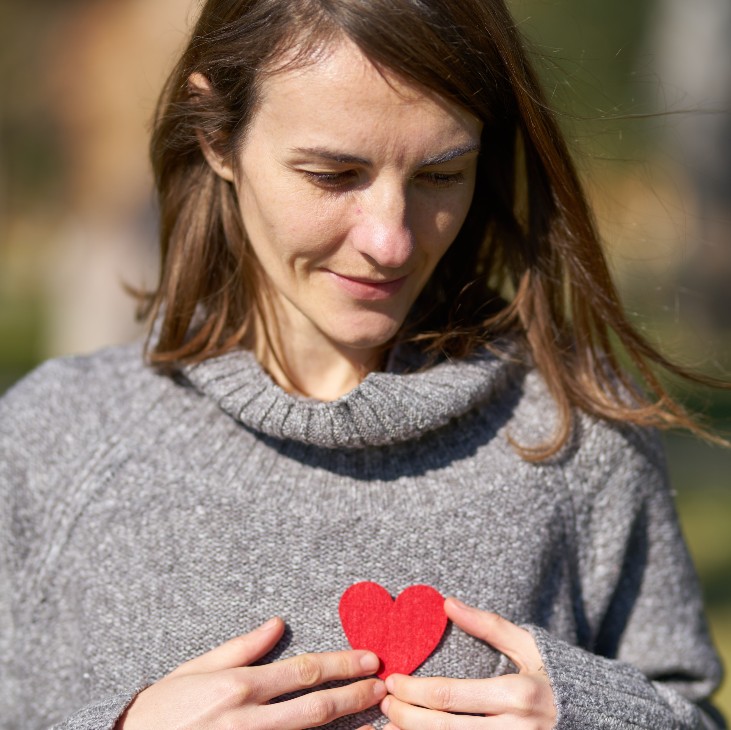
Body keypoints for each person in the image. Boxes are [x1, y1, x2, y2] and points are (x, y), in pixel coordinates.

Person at [0, 0, 727, 728]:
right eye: (333, 173)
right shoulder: (53, 439)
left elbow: (686, 709)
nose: (391, 241)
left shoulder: (573, 425)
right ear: (218, 136)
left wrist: (593, 717)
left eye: (441, 175)